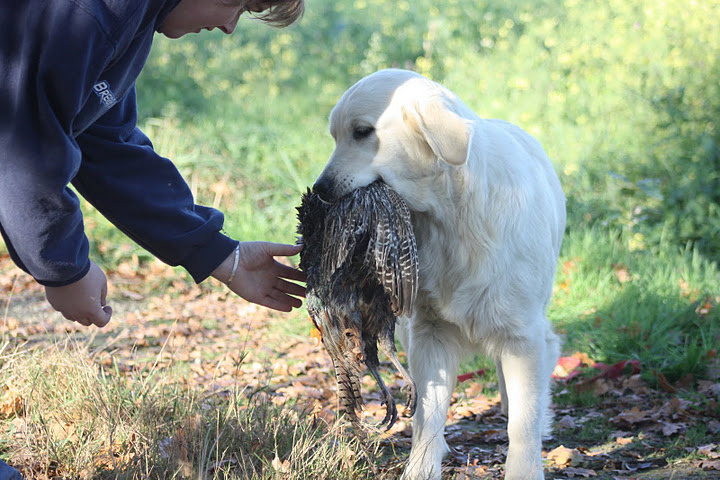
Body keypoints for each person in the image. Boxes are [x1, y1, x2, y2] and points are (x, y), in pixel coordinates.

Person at [0, 0, 307, 332]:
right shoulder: (89, 12)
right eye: (236, 5)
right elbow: (24, 143)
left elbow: (108, 146)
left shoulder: (132, 20)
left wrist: (221, 255)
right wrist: (64, 269)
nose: (230, 27)